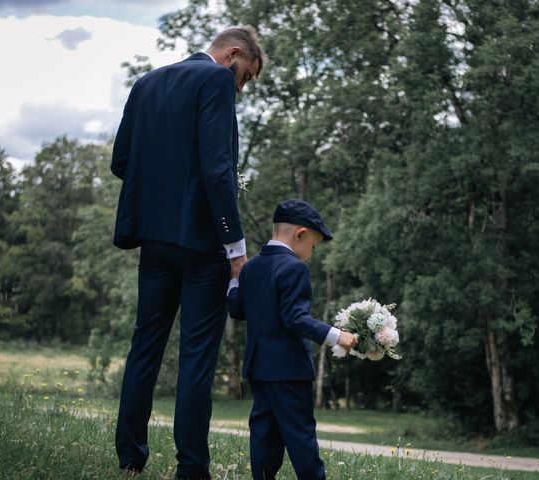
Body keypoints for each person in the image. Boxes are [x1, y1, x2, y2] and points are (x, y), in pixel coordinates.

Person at [110, 26, 266, 479]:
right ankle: (192, 467)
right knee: (197, 357)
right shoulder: (215, 80)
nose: (241, 87)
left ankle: (130, 458)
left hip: (153, 240)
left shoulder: (146, 83)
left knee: (146, 346)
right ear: (232, 54)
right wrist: (236, 252)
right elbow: (218, 171)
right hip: (201, 245)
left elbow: (121, 161)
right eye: (246, 77)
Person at [227, 199, 358, 480]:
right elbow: (295, 318)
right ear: (300, 234)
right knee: (300, 434)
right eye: (312, 245)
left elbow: (236, 309)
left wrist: (234, 281)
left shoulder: (251, 268)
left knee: (264, 431)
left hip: (259, 366)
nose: (310, 254)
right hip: (289, 369)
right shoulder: (295, 268)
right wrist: (338, 336)